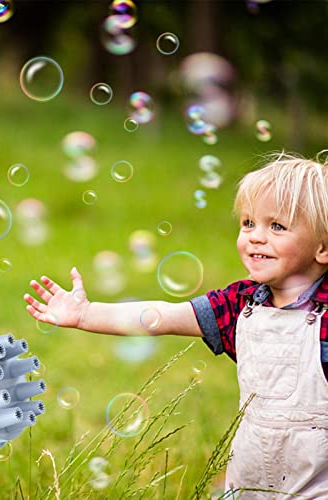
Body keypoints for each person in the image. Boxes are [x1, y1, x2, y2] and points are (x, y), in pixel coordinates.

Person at [24, 151, 328, 498]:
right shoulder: (239, 304)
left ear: (323, 249)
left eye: (276, 226)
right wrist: (85, 314)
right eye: (248, 223)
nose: (256, 237)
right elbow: (163, 316)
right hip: (250, 483)